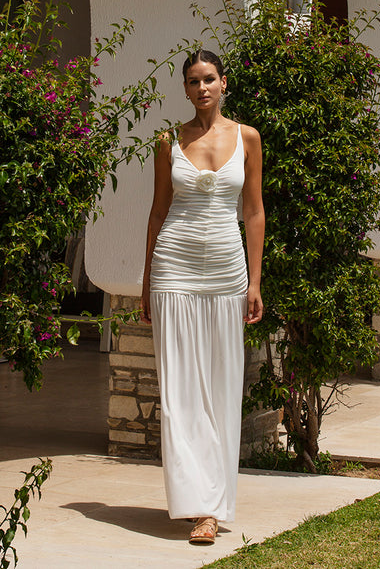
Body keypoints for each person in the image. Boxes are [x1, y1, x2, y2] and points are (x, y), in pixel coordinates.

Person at [141, 49, 264, 546]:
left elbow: (253, 213)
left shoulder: (248, 138)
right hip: (173, 268)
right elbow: (156, 213)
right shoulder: (167, 140)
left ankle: (213, 501)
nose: (202, 89)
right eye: (193, 82)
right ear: (185, 89)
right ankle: (199, 509)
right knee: (179, 393)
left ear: (224, 82)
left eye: (209, 79)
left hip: (227, 273)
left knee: (220, 387)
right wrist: (147, 278)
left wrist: (255, 282)